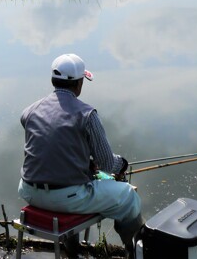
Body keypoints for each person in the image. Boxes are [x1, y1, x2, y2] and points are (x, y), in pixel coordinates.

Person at [18, 53, 143, 258]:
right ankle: (135, 251)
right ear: (78, 84)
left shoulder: (29, 111)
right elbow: (106, 163)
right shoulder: (87, 114)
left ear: (53, 80)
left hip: (29, 191)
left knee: (71, 189)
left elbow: (52, 150)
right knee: (128, 196)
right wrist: (122, 164)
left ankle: (71, 250)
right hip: (65, 198)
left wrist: (84, 162)